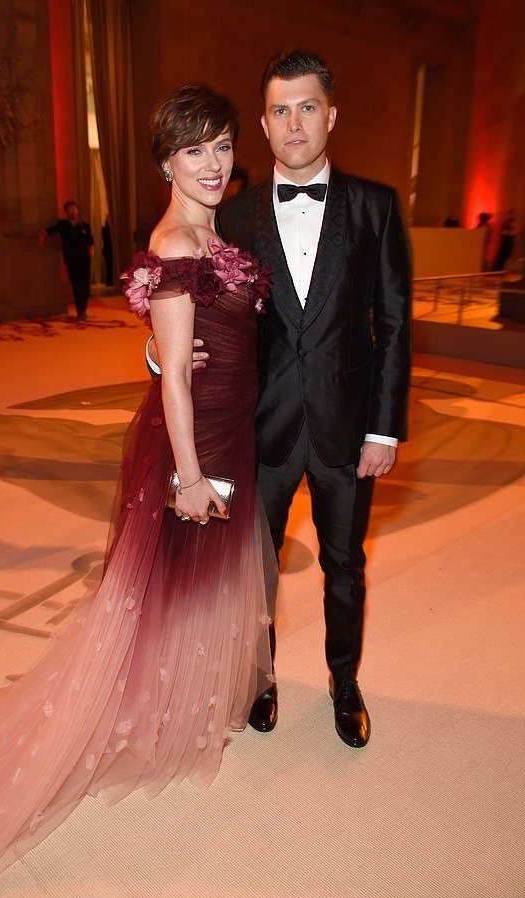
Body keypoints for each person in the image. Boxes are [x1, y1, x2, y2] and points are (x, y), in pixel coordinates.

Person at [0, 85, 273, 898]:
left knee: (200, 580)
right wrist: (187, 473)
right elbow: (174, 376)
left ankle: (187, 703)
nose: (212, 163)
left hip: (228, 424)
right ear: (165, 160)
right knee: (173, 581)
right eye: (194, 149)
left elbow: (189, 347)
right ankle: (153, 711)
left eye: (221, 145)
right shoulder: (175, 242)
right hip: (199, 438)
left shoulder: (216, 230)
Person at [151, 50, 412, 748]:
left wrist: (383, 428)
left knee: (345, 565)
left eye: (306, 107)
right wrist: (157, 352)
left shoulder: (376, 207)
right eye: (278, 110)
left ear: (331, 115)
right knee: (253, 568)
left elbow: (392, 323)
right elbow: (194, 312)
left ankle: (345, 681)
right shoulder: (229, 215)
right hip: (259, 428)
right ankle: (259, 677)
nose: (293, 123)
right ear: (264, 125)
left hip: (346, 428)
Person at [39, 200, 94, 319]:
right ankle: (80, 311)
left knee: (85, 284)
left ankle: (83, 309)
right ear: (66, 212)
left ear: (77, 210)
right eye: (69, 209)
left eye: (74, 208)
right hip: (71, 259)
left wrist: (91, 255)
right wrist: (42, 235)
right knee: (76, 284)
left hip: (84, 258)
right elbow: (50, 230)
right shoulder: (62, 224)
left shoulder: (84, 225)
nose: (72, 211)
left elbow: (91, 243)